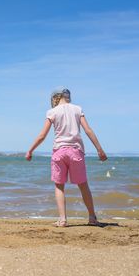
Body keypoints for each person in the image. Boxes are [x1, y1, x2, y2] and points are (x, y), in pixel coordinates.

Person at [25, 87, 108, 227]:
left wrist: (30, 150)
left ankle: (62, 220)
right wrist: (100, 150)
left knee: (59, 186)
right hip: (76, 151)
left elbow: (42, 136)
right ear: (67, 96)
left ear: (54, 98)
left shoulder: (52, 112)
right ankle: (92, 217)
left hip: (59, 152)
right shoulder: (77, 109)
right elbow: (88, 130)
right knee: (83, 185)